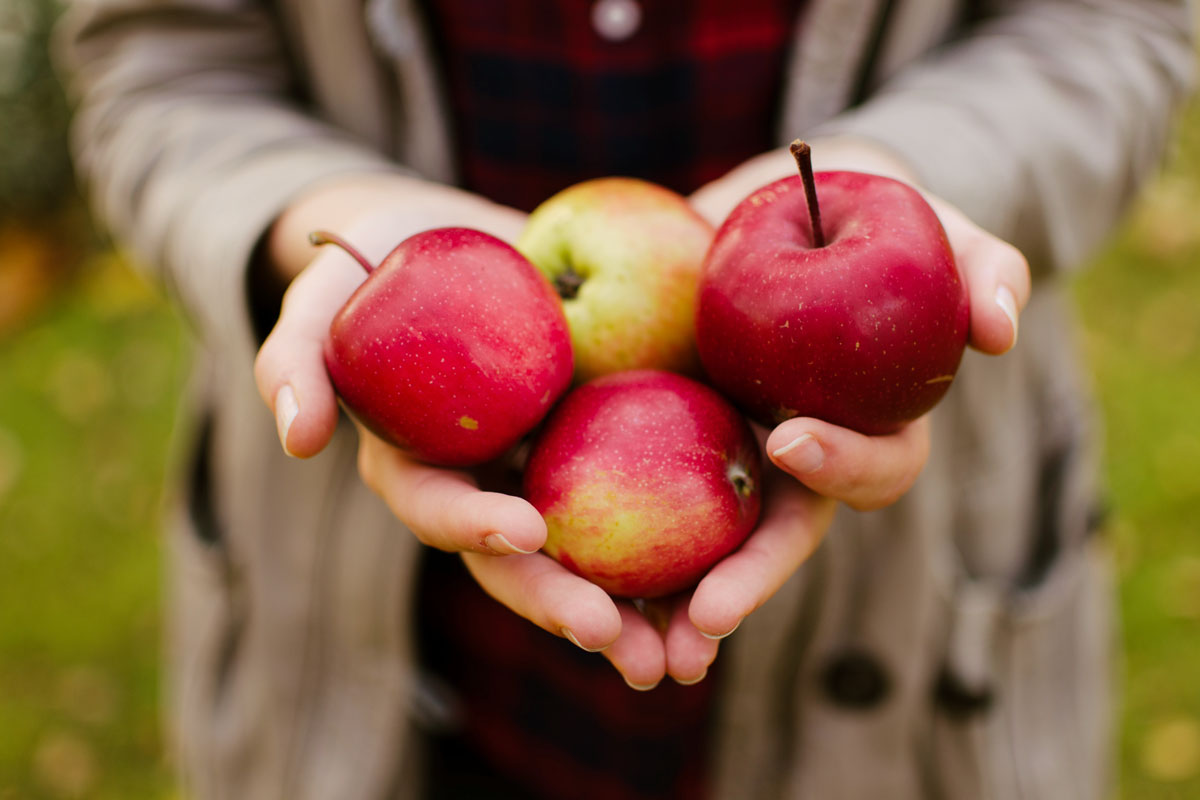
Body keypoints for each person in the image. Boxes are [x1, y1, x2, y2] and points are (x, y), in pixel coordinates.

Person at [56, 0, 1193, 797]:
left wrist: (903, 167)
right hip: (393, 661)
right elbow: (158, 60)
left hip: (911, 639)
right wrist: (307, 213)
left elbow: (1112, 23)